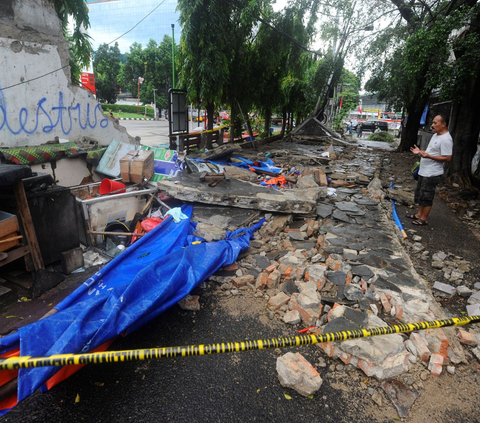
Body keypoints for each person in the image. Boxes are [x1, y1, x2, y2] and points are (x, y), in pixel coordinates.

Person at [408, 114, 453, 226]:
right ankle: (419, 214)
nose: (432, 125)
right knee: (420, 194)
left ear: (443, 124)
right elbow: (431, 152)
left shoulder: (446, 139)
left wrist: (428, 156)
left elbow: (447, 158)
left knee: (427, 196)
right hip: (424, 170)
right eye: (432, 122)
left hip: (432, 173)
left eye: (435, 123)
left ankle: (424, 218)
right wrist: (420, 152)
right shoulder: (435, 135)